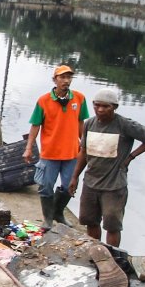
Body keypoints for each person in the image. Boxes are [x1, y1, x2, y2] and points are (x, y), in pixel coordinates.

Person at [69, 88, 145, 248]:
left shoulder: (124, 125)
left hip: (114, 186)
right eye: (97, 105)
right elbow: (83, 152)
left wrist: (131, 156)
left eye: (106, 107)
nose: (101, 110)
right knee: (90, 221)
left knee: (112, 225)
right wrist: (75, 177)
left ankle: (113, 256)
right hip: (91, 183)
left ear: (114, 107)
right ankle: (95, 253)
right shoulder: (89, 124)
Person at [23, 64, 88, 228]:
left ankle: (59, 213)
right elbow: (35, 125)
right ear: (55, 79)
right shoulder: (44, 100)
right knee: (45, 187)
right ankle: (48, 219)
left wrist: (84, 145)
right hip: (50, 153)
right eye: (62, 77)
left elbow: (81, 123)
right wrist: (29, 147)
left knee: (68, 187)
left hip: (72, 153)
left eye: (69, 77)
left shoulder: (79, 98)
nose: (66, 81)